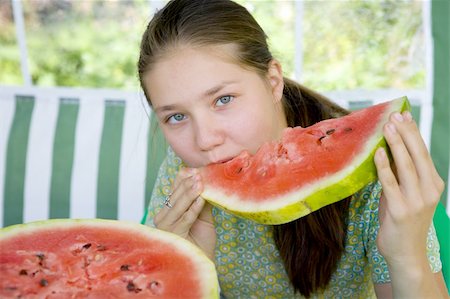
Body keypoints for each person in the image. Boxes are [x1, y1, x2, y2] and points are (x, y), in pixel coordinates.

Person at [137, 0, 448, 297]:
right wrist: (185, 273)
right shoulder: (183, 174)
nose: (204, 140)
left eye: (223, 99)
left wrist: (407, 255)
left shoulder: (370, 172)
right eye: (176, 117)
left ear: (273, 81)